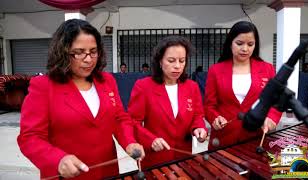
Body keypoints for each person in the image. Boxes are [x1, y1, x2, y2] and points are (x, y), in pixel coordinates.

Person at [17, 19, 144, 180]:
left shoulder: (107, 81)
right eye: (79, 52)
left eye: (93, 51)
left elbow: (119, 118)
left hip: (107, 172)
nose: (88, 59)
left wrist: (129, 142)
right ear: (62, 52)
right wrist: (57, 160)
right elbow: (30, 137)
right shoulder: (43, 86)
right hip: (66, 175)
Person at [128, 36, 208, 168]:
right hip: (156, 157)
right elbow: (133, 122)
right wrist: (150, 139)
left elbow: (197, 115)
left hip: (184, 157)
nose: (177, 66)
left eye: (182, 61)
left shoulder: (192, 86)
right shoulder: (143, 86)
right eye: (171, 61)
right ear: (160, 61)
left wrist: (199, 128)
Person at [204, 21, 282, 149]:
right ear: (230, 43)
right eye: (239, 43)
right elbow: (209, 105)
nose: (245, 49)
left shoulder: (267, 69)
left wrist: (271, 117)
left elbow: (276, 100)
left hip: (255, 137)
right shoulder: (215, 70)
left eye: (250, 44)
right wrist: (214, 117)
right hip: (223, 138)